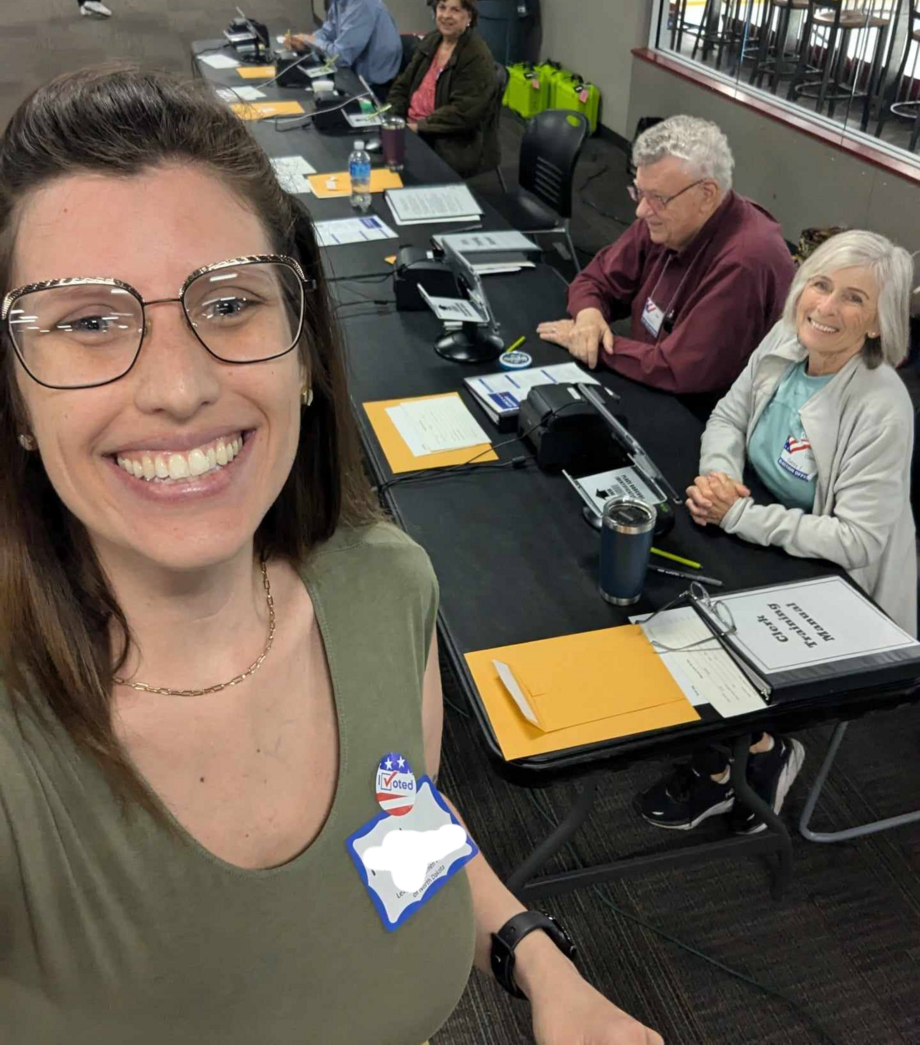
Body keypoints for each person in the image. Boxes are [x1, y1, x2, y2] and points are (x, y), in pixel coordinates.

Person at [0, 66, 662, 1045]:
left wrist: (535, 961)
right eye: (90, 321)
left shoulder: (383, 585)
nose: (179, 388)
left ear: (305, 348)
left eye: (229, 304)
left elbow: (397, 816)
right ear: (15, 397)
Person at [638, 229, 916, 834]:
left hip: (841, 582)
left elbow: (856, 541)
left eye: (854, 299)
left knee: (704, 629)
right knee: (656, 596)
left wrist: (737, 515)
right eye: (819, 284)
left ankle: (753, 758)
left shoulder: (882, 406)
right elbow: (730, 414)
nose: (825, 307)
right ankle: (740, 746)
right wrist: (718, 476)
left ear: (876, 324)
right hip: (760, 523)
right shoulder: (790, 336)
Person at [537, 115, 795, 407]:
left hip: (700, 415)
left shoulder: (747, 261)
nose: (641, 210)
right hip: (649, 381)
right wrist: (588, 318)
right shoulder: (666, 218)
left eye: (657, 197)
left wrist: (592, 343)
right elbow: (597, 280)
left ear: (707, 194)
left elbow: (681, 369)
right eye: (639, 192)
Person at [388, 0, 501, 179]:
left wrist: (417, 127)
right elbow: (403, 85)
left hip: (450, 141)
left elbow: (462, 113)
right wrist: (394, 120)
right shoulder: (433, 40)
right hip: (412, 128)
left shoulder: (476, 56)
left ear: (469, 16)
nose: (446, 16)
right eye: (442, 8)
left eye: (455, 10)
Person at [284, 0, 401, 99]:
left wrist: (309, 40)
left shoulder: (361, 2)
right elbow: (327, 33)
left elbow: (340, 57)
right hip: (353, 77)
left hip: (372, 90)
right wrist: (304, 42)